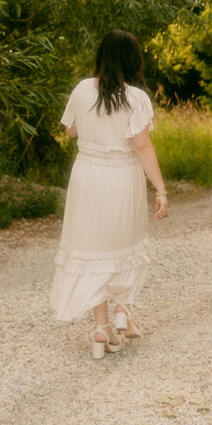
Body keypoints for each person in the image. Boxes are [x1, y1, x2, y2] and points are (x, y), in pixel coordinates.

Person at [51, 29, 168, 358]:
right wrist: (160, 188)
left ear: (101, 56)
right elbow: (142, 146)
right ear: (134, 60)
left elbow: (71, 129)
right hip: (122, 177)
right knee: (124, 242)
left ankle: (103, 328)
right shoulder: (136, 97)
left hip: (86, 175)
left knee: (92, 247)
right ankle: (123, 311)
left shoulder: (81, 89)